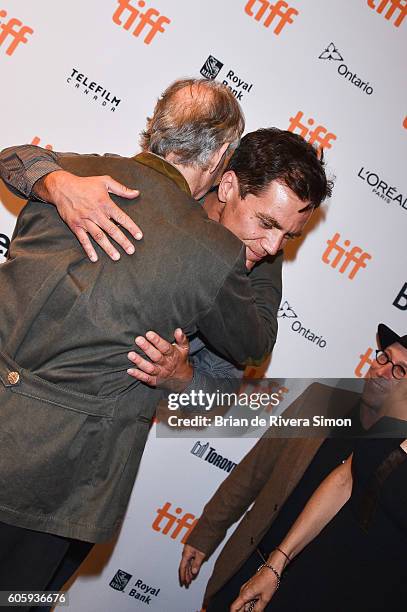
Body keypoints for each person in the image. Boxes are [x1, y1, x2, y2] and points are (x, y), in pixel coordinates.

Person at [0, 79, 330, 604]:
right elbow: (18, 158)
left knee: (31, 594)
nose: (273, 248)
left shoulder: (258, 268)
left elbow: (240, 364)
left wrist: (184, 379)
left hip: (81, 477)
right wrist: (57, 182)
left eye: (289, 237)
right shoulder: (108, 187)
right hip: (45, 450)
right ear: (226, 181)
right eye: (267, 223)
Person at [178, 323, 407, 612]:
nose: (383, 370)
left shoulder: (396, 455)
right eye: (384, 357)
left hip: (314, 594)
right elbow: (255, 469)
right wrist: (206, 533)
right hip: (252, 565)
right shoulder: (320, 401)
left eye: (401, 370)